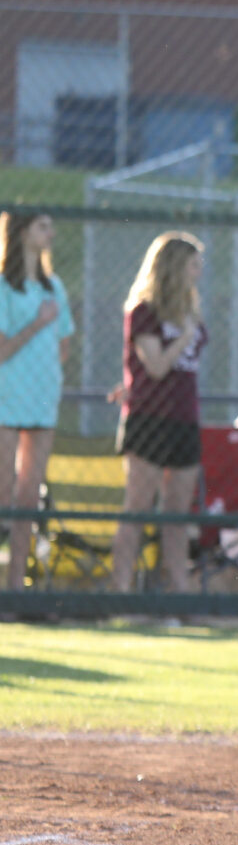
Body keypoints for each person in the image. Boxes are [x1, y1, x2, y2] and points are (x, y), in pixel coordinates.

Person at [110, 231, 209, 594]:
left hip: (184, 419)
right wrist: (182, 337)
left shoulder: (191, 313)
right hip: (148, 419)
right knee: (137, 507)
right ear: (174, 267)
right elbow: (154, 367)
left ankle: (178, 595)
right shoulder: (144, 311)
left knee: (177, 514)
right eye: (193, 264)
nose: (199, 272)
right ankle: (119, 591)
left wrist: (187, 331)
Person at [0, 210, 73, 590]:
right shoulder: (3, 287)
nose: (51, 233)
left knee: (29, 496)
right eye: (43, 226)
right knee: (3, 489)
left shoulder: (53, 287)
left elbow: (64, 343)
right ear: (23, 232)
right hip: (6, 399)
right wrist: (37, 325)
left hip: (43, 400)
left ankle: (15, 587)